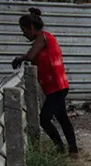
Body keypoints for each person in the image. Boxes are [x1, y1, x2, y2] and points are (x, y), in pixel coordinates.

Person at [12, 8, 78, 155]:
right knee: (62, 119)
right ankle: (72, 150)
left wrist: (20, 58)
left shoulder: (43, 37)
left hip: (57, 87)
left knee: (44, 119)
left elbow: (30, 56)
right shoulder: (40, 40)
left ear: (32, 27)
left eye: (24, 31)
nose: (24, 34)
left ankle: (60, 149)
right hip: (54, 87)